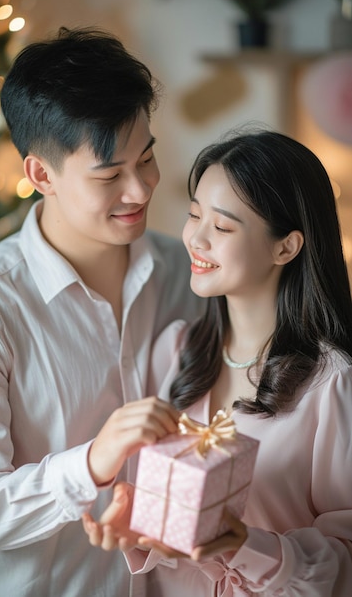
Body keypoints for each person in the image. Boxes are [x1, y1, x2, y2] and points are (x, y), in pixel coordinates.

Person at [0, 26, 205, 597]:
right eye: (109, 175)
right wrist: (92, 463)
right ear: (40, 176)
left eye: (148, 158)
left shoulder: (184, 272)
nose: (139, 189)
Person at [82, 130, 352, 595]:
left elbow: (346, 559)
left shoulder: (333, 385)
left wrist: (244, 544)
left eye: (222, 227)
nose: (196, 239)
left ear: (285, 247)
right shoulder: (176, 350)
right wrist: (137, 524)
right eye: (193, 216)